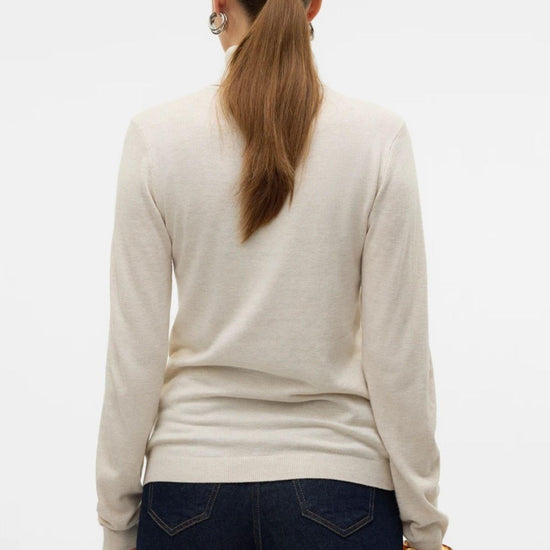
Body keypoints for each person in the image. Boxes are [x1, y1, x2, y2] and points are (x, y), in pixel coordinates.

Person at [95, 0, 450, 549]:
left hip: (187, 491)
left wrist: (118, 525)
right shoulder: (378, 139)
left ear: (219, 6)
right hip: (341, 492)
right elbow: (398, 357)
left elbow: (133, 357)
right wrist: (424, 528)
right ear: (313, 6)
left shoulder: (156, 138)